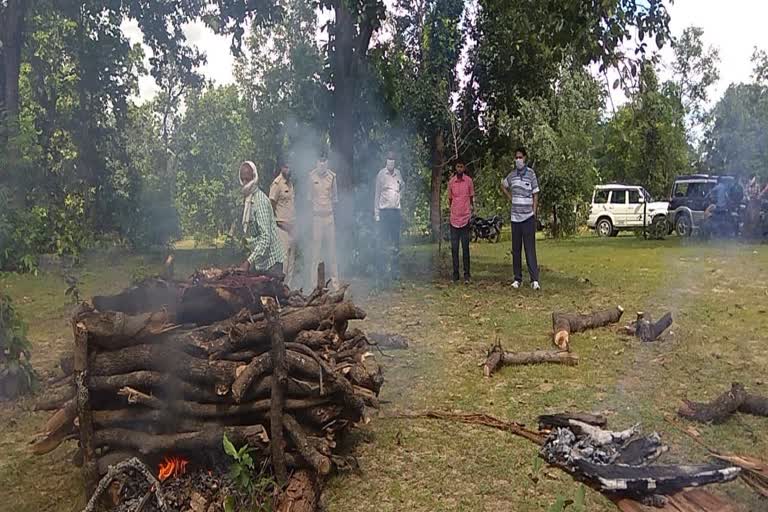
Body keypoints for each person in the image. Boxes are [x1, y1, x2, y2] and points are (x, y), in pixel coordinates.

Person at [501, 147, 540, 290]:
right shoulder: (512, 175)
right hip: (515, 218)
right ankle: (517, 279)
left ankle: (534, 279)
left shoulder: (531, 174)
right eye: (516, 157)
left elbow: (535, 193)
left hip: (528, 217)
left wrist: (534, 211)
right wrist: (510, 197)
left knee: (530, 249)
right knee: (516, 249)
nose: (518, 160)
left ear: (525, 158)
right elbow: (503, 185)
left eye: (520, 157)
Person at [237, 161, 285, 277]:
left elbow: (265, 238)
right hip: (260, 262)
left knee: (272, 295)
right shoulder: (249, 199)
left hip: (271, 263)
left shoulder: (260, 201)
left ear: (254, 177)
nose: (244, 183)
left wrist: (249, 261)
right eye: (242, 179)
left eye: (247, 179)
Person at [307, 154, 339, 288]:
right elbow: (309, 199)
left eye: (324, 161)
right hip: (317, 218)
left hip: (329, 217)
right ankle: (313, 285)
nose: (322, 163)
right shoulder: (311, 176)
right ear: (316, 162)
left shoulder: (332, 177)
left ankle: (335, 284)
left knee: (332, 251)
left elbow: (335, 199)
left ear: (327, 161)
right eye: (319, 161)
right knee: (316, 252)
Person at [374, 151, 405, 281]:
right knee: (383, 242)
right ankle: (382, 271)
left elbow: (402, 186)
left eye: (393, 160)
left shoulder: (398, 173)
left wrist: (399, 198)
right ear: (386, 161)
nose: (391, 162)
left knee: (395, 242)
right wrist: (376, 214)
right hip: (384, 212)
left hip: (395, 212)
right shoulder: (381, 174)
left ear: (395, 161)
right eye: (389, 160)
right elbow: (377, 194)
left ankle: (395, 271)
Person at [269, 161, 296, 287]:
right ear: (282, 168)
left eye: (290, 167)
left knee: (291, 264)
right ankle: (280, 292)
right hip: (282, 230)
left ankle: (288, 291)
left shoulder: (290, 184)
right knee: (283, 265)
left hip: (292, 229)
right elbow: (271, 208)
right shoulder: (276, 184)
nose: (289, 169)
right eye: (286, 167)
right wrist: (280, 223)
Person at [447, 161, 474, 283]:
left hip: (465, 218)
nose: (459, 169)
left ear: (464, 168)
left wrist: (469, 211)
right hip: (454, 219)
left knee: (465, 248)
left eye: (461, 166)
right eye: (457, 166)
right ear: (455, 168)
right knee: (454, 248)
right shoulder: (451, 182)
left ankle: (467, 275)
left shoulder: (468, 181)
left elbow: (471, 198)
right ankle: (455, 275)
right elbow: (450, 199)